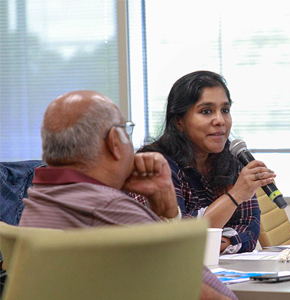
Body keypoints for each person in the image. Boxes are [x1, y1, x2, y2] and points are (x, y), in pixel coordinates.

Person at [18, 90, 238, 300]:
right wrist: (164, 211)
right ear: (115, 141)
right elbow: (219, 296)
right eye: (127, 130)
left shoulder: (39, 197)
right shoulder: (108, 208)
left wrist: (163, 209)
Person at [133, 71, 276, 254]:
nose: (220, 120)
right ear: (179, 122)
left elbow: (249, 231)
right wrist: (236, 195)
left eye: (225, 110)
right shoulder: (155, 164)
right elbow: (178, 238)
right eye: (206, 111)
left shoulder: (233, 158)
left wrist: (208, 244)